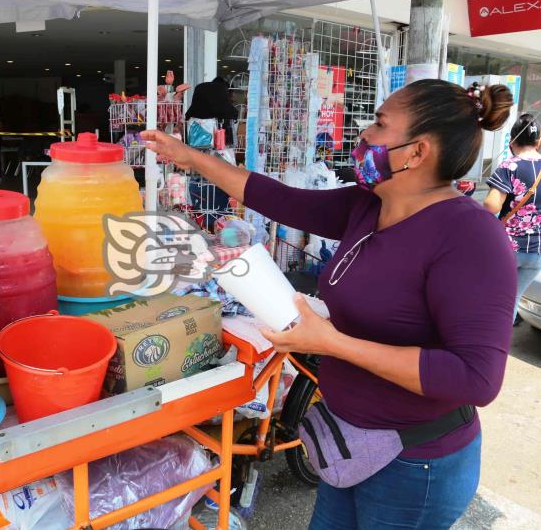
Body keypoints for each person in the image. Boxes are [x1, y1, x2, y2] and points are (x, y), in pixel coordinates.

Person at [142, 78, 516, 529]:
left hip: (414, 464)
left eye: (379, 124)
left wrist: (333, 343)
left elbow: (476, 379)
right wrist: (188, 156)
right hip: (348, 443)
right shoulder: (369, 204)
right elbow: (277, 199)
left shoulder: (470, 236)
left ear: (417, 153)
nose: (364, 134)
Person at [484, 113, 541, 325]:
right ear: (538, 142)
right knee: (511, 303)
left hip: (508, 249)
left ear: (512, 141)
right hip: (536, 253)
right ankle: (499, 350)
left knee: (490, 300)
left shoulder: (510, 166)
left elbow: (491, 205)